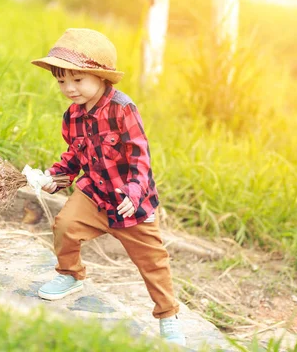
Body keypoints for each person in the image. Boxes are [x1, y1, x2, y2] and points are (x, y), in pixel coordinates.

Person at [30, 28, 186, 346]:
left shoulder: (122, 109)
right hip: (95, 192)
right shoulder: (72, 116)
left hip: (130, 198)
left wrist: (132, 192)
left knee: (152, 260)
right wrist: (54, 178)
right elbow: (74, 157)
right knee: (66, 225)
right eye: (61, 81)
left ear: (101, 78)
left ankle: (168, 316)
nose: (69, 88)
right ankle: (70, 274)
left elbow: (140, 157)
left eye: (77, 80)